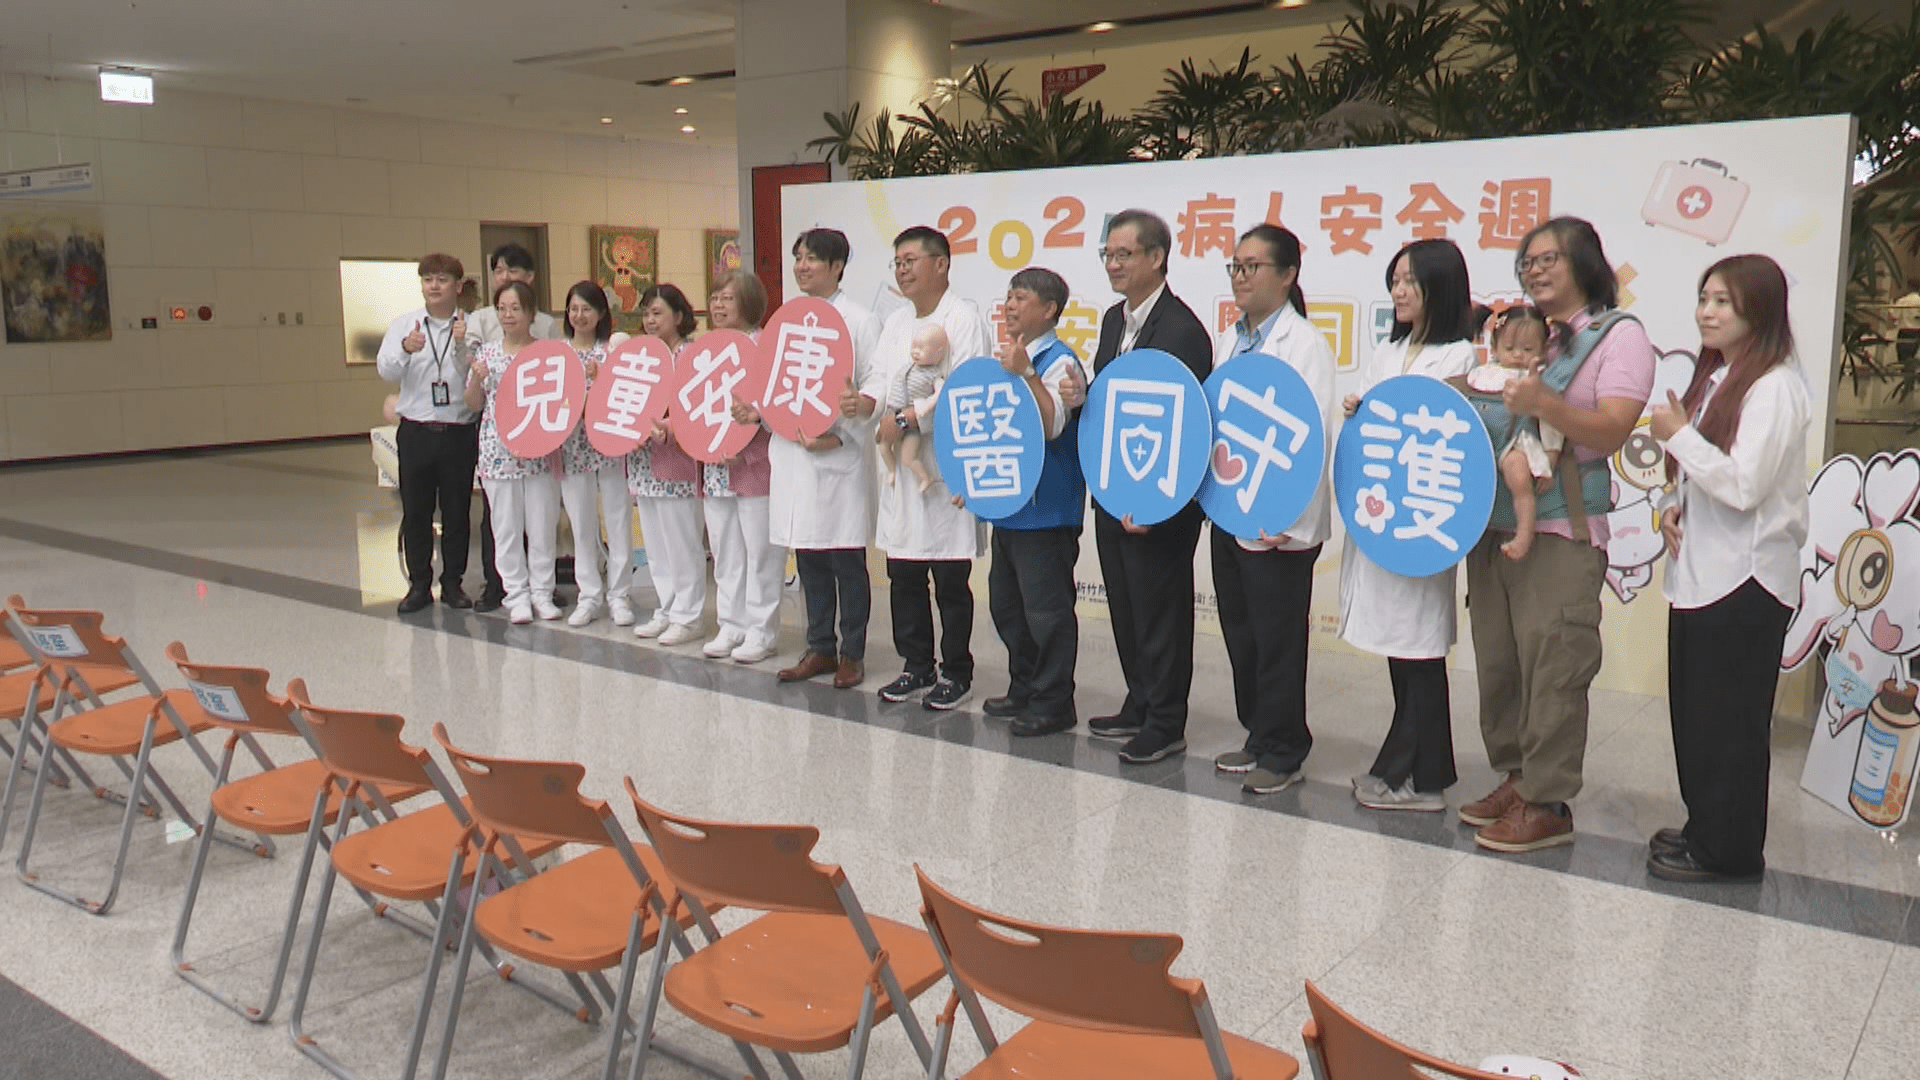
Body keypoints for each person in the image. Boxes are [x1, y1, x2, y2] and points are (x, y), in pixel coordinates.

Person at [1462, 216, 1656, 853]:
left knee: (1554, 664)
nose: (1535, 270)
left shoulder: (1618, 337)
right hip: (1492, 525)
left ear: (1586, 264)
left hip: (1561, 528)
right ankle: (1516, 779)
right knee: (1499, 662)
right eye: (1528, 261)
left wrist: (1545, 404)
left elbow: (1612, 430)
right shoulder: (1526, 337)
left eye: (1549, 258)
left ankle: (1547, 801)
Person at [1646, 254, 1808, 883]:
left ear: (1757, 311)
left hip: (1746, 581)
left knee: (1730, 724)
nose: (1706, 313)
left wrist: (1677, 436)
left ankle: (1730, 851)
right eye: (1704, 299)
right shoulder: (1720, 376)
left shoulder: (1775, 388)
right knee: (1697, 717)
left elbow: (1744, 485)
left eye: (1722, 302)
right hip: (1702, 577)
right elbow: (1701, 475)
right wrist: (1671, 504)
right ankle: (1705, 827)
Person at [1340, 239, 1480, 812]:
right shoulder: (1387, 351)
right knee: (1402, 653)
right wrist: (1357, 411)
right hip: (1382, 523)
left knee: (1420, 651)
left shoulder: (1462, 358)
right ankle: (1411, 768)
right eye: (1394, 281)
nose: (1398, 291)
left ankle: (1419, 780)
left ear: (1439, 287)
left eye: (1410, 281)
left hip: (1425, 524)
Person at [1204, 226, 1337, 794]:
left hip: (1278, 521)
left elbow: (1315, 433)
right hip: (1230, 509)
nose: (1240, 277)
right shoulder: (1230, 340)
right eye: (1235, 266)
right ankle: (1259, 733)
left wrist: (1289, 515)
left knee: (1278, 638)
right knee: (1242, 631)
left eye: (1252, 266)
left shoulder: (1304, 344)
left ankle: (1284, 750)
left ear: (1287, 275)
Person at [1084, 209, 1213, 765]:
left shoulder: (1182, 330)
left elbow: (1187, 425)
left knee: (1161, 613)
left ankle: (1165, 721)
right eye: (1107, 255)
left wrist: (1158, 506)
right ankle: (1139, 701)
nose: (1113, 265)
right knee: (1126, 606)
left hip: (1160, 500)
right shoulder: (1114, 321)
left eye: (1124, 254)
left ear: (1157, 257)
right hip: (1114, 490)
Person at [872, 225, 992, 711]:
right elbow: (881, 378)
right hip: (902, 467)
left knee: (949, 578)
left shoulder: (963, 319)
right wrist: (869, 404)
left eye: (911, 261)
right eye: (897, 263)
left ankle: (956, 671)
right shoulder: (897, 322)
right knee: (903, 572)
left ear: (941, 264)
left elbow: (963, 388)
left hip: (944, 467)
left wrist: (907, 418)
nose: (902, 271)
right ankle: (916, 665)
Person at [769, 229, 885, 692]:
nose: (802, 266)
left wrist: (839, 437)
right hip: (796, 455)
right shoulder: (787, 319)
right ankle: (818, 646)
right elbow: (771, 382)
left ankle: (852, 653)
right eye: (798, 257)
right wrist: (758, 413)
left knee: (845, 560)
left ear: (838, 266)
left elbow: (875, 387)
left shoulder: (860, 320)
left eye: (812, 258)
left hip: (839, 456)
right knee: (809, 556)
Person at [979, 267, 1088, 739]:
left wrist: (1027, 373)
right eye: (1008, 296)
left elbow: (1050, 426)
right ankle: (1023, 687)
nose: (1009, 306)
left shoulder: (1061, 362)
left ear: (1049, 309)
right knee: (1008, 606)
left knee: (1047, 612)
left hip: (1048, 509)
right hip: (1009, 505)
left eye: (1020, 298)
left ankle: (1054, 702)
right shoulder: (1005, 359)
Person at [375, 253, 476, 615]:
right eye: (428, 279)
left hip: (458, 431)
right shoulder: (404, 325)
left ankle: (453, 583)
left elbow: (478, 374)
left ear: (458, 286)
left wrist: (463, 346)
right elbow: (385, 370)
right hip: (416, 431)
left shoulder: (471, 326)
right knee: (416, 511)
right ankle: (419, 584)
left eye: (442, 280)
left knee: (457, 512)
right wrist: (406, 349)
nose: (434, 286)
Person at [463, 243, 562, 612]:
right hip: (498, 452)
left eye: (515, 308)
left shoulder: (548, 353)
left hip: (540, 451)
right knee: (504, 529)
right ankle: (516, 595)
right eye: (502, 309)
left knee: (541, 527)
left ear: (531, 313)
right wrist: (476, 379)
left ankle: (542, 593)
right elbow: (473, 403)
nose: (507, 315)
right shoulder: (487, 353)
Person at [702, 270, 784, 664]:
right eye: (715, 297)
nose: (718, 305)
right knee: (725, 551)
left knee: (761, 553)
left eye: (728, 298)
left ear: (749, 302)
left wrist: (744, 444)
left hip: (756, 466)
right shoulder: (706, 348)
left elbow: (777, 407)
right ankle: (731, 623)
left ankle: (762, 630)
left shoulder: (766, 346)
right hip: (715, 467)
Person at [627, 284, 707, 647]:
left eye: (657, 313)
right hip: (643, 461)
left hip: (678, 461)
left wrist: (670, 426)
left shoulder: (692, 355)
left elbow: (697, 406)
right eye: (646, 313)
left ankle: (689, 615)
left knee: (681, 542)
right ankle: (668, 607)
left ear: (678, 315)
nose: (650, 320)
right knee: (656, 545)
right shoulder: (642, 354)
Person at [555, 281, 636, 628]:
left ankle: (620, 595)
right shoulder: (558, 354)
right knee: (581, 524)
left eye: (586, 309)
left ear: (601, 313)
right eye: (573, 309)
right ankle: (588, 595)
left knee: (618, 521)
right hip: (573, 448)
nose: (579, 315)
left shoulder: (613, 351)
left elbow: (628, 394)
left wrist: (602, 381)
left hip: (611, 447)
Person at [1467, 306, 1563, 561]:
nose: (1518, 355)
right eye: (1509, 348)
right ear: (1495, 346)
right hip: (1480, 440)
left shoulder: (1538, 379)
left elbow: (1551, 419)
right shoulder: (1479, 374)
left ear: (1544, 349)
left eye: (1528, 349)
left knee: (1519, 478)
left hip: (1515, 441)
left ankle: (1524, 533)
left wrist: (1551, 454)